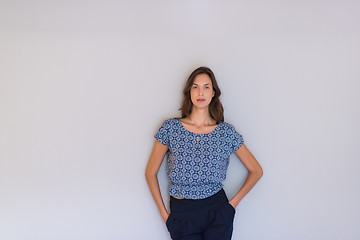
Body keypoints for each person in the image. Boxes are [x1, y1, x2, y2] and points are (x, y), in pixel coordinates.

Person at [145, 66, 263, 240]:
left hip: (217, 210)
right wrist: (165, 216)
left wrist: (231, 206)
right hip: (182, 213)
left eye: (206, 87)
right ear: (189, 92)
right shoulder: (170, 128)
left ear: (213, 92)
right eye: (195, 87)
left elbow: (256, 171)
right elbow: (150, 173)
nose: (201, 92)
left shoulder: (226, 133)